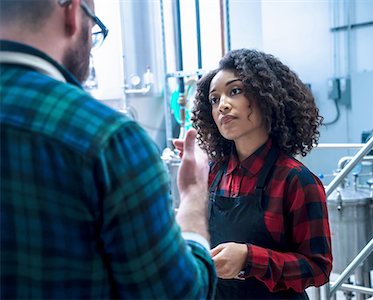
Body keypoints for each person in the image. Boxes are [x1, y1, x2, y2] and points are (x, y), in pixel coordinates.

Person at [0, 0, 216, 299]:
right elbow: (177, 294)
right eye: (95, 30)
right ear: (73, 13)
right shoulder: (108, 139)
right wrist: (193, 196)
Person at [177, 48, 333, 299]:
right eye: (214, 99)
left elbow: (318, 268)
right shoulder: (212, 174)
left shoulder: (296, 180)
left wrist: (249, 258)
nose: (223, 106)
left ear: (265, 97)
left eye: (235, 91)